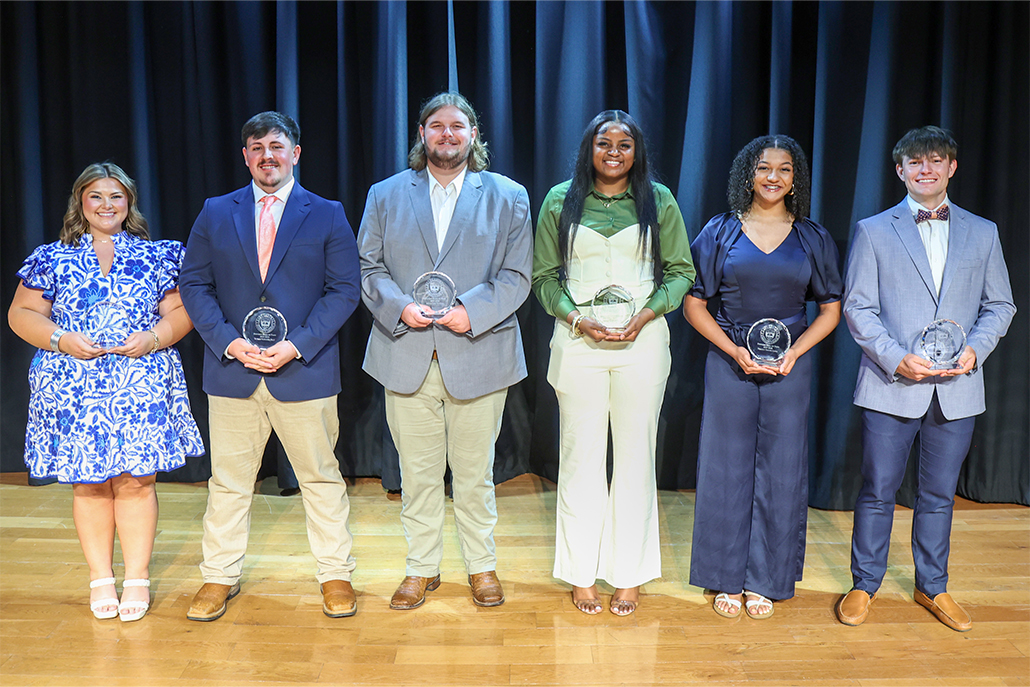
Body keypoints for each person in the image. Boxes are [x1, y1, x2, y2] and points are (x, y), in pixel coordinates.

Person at [178, 111, 361, 621]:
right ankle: (218, 577)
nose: (267, 156)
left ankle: (335, 575)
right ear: (245, 157)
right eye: (256, 148)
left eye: (276, 146)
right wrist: (229, 342)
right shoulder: (216, 211)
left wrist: (296, 345)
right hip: (233, 370)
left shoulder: (326, 213)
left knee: (321, 479)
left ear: (295, 153)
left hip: (303, 371)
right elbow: (193, 284)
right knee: (229, 482)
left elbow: (344, 289)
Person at [357, 92, 531, 610]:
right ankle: (420, 569)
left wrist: (469, 311)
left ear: (473, 134)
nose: (447, 135)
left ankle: (482, 567)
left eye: (457, 126)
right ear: (422, 134)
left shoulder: (508, 195)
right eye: (437, 126)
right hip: (405, 350)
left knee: (475, 475)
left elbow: (518, 275)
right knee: (417, 475)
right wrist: (399, 307)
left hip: (479, 352)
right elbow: (369, 269)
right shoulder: (386, 194)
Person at [8, 162, 204, 622]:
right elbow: (21, 314)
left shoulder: (158, 255)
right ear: (81, 202)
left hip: (140, 381)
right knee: (89, 482)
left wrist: (154, 337)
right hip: (73, 386)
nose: (106, 205)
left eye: (116, 196)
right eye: (96, 196)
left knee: (137, 482)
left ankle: (136, 576)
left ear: (129, 203)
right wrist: (61, 338)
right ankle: (101, 577)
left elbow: (180, 312)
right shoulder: (51, 257)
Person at [837, 126, 1015, 632]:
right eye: (914, 163)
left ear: (951, 168)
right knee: (877, 490)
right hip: (892, 383)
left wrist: (976, 349)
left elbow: (1000, 304)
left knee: (938, 494)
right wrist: (896, 358)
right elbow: (859, 307)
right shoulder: (874, 230)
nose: (925, 170)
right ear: (900, 171)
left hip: (957, 388)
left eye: (935, 161)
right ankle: (863, 584)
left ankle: (932, 587)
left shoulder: (984, 232)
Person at [532, 110, 695, 616]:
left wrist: (646, 315)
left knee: (635, 458)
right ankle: (581, 573)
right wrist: (577, 320)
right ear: (590, 148)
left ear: (636, 152)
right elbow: (543, 279)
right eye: (605, 143)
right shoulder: (560, 199)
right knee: (579, 458)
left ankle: (629, 574)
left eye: (625, 145)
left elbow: (681, 271)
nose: (614, 152)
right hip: (578, 342)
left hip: (641, 343)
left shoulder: (659, 200)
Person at [683, 135, 842, 620]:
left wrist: (794, 352)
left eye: (785, 169)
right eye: (763, 167)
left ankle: (766, 579)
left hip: (790, 366)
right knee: (725, 467)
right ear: (746, 174)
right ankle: (725, 577)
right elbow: (694, 304)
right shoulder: (720, 231)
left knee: (782, 468)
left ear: (796, 179)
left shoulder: (813, 237)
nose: (773, 177)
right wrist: (732, 349)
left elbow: (831, 310)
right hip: (730, 363)